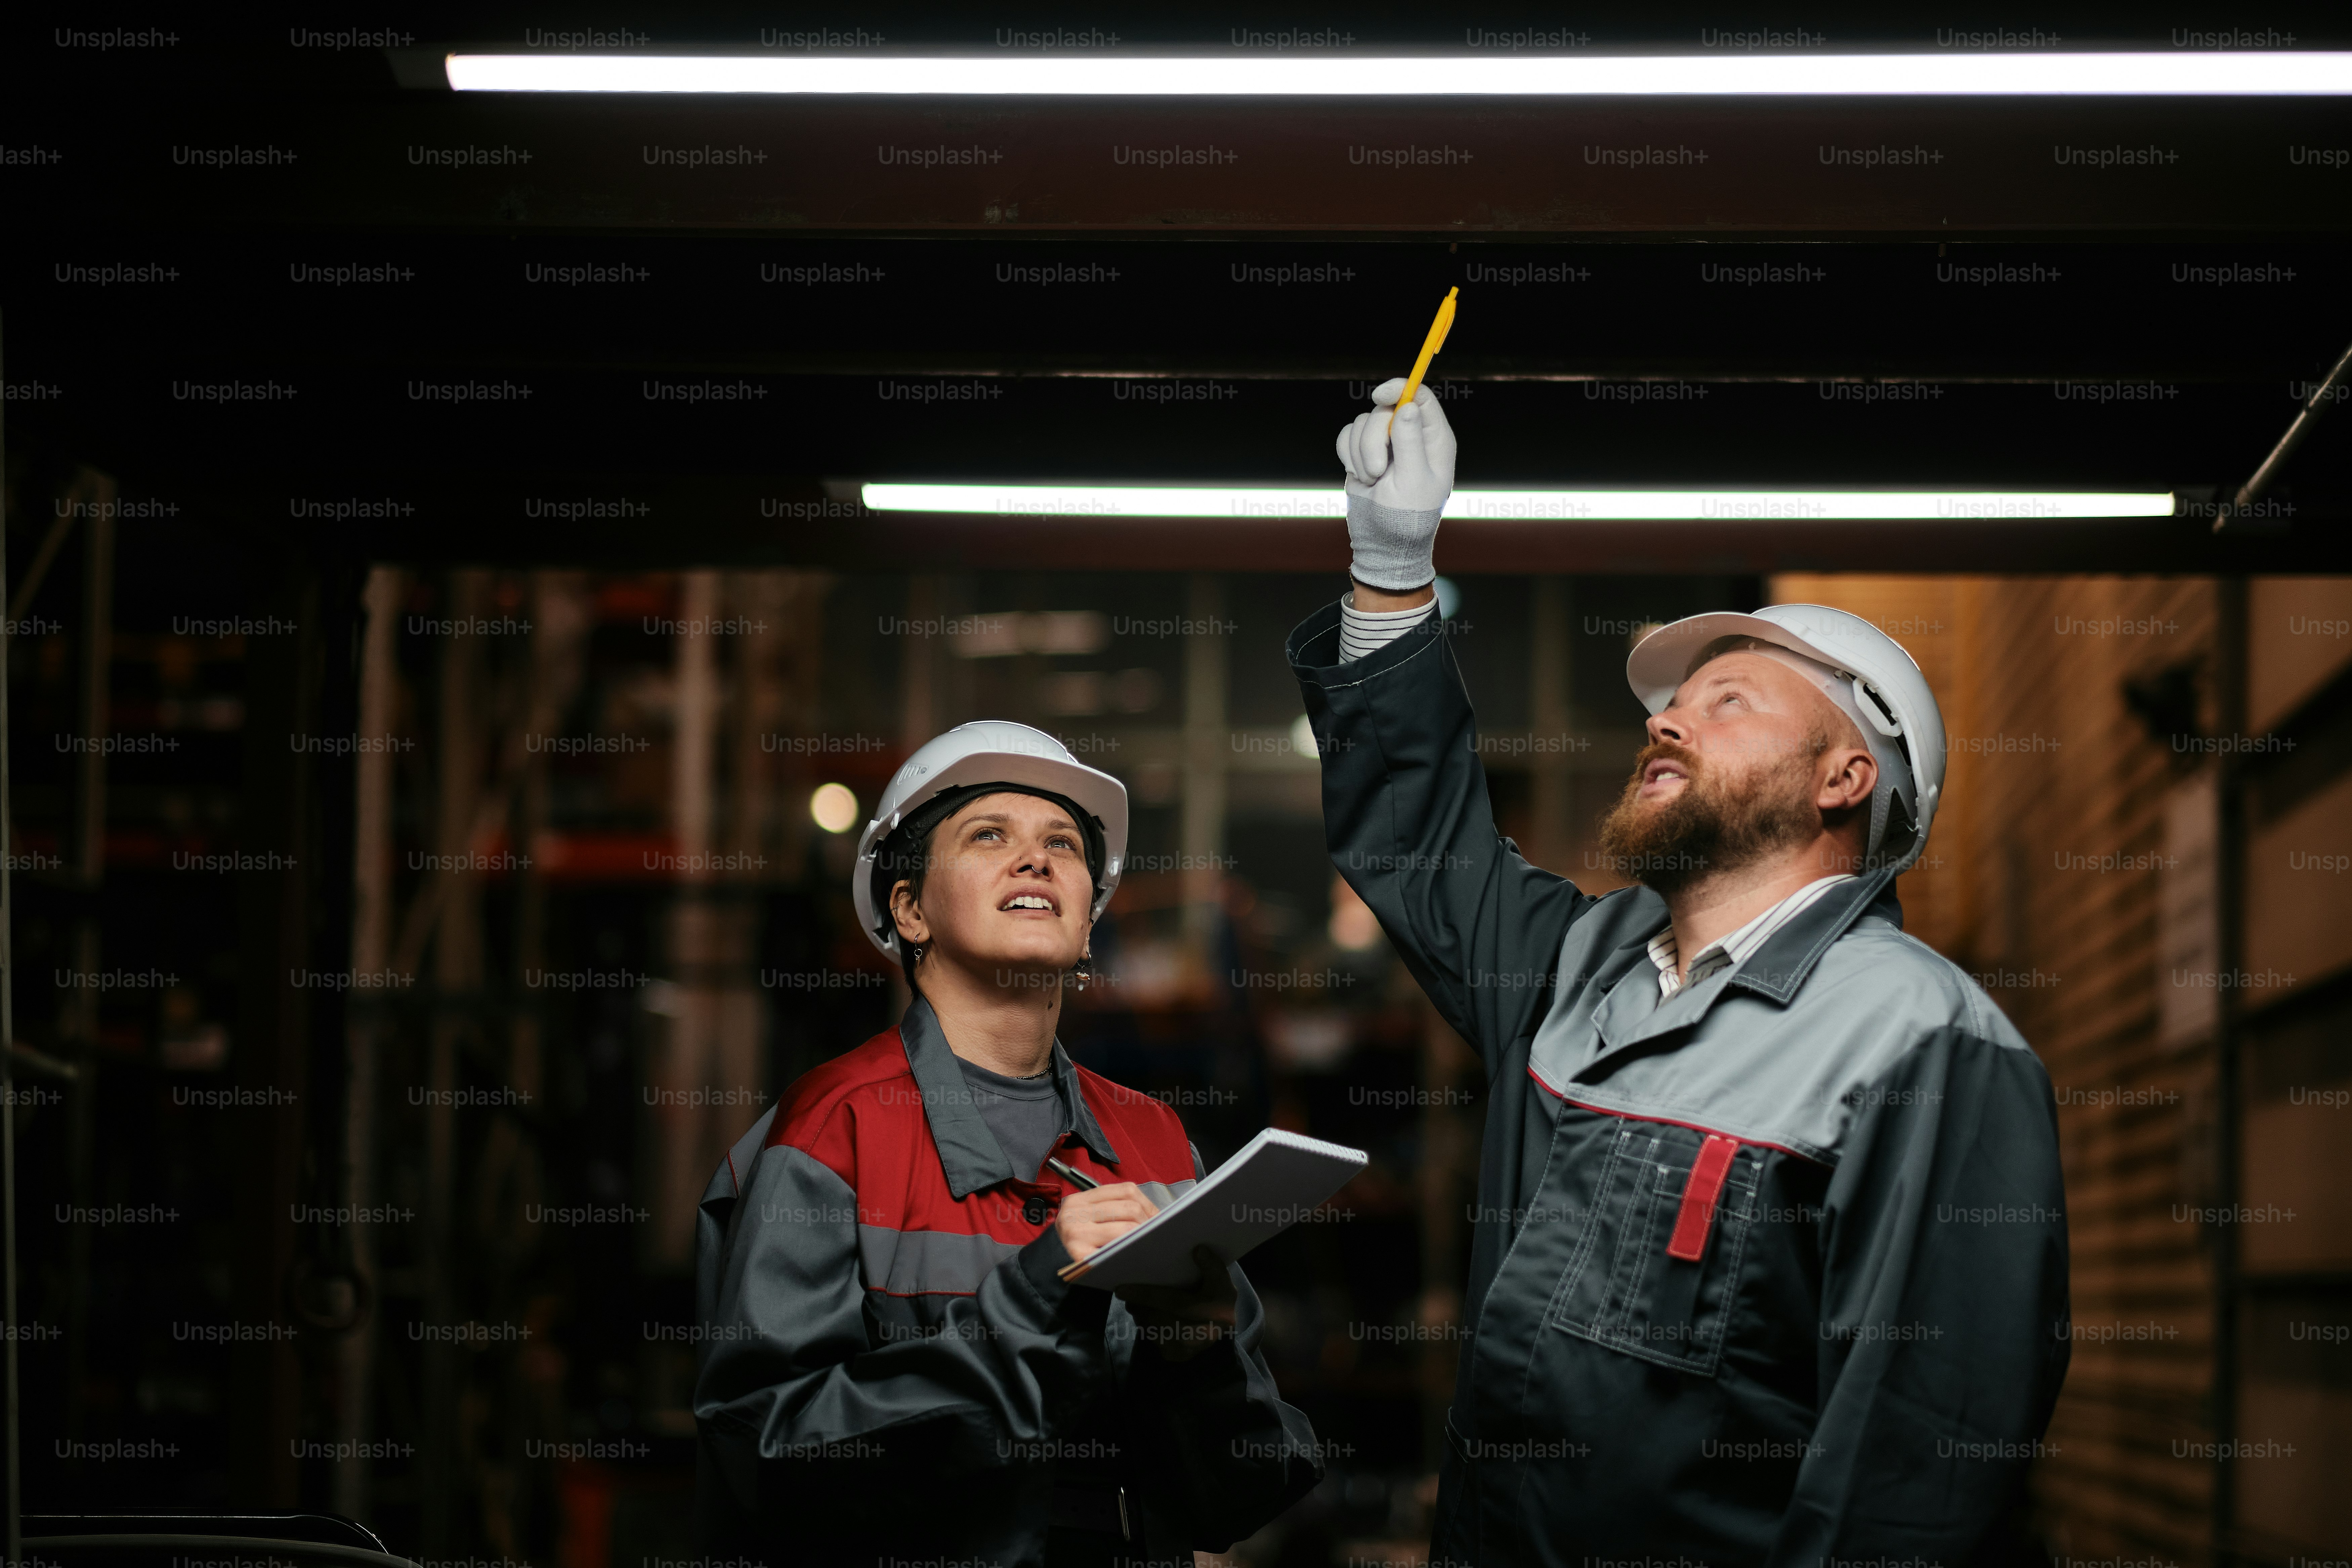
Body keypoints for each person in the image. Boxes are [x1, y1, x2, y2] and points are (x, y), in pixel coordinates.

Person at [1287, 380, 2071, 1565]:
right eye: (1667, 706)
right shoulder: (1577, 963)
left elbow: (1913, 1464)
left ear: (1844, 777)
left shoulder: (1919, 1036)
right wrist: (1394, 567)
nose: (1665, 722)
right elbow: (1420, 844)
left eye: (1726, 700)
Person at [692, 721, 1322, 1568]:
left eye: (1062, 844)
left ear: (1089, 916)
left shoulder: (1152, 1138)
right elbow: (764, 1456)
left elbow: (1236, 1497)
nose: (1037, 862)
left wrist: (1197, 1356)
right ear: (908, 908)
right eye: (988, 836)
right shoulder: (833, 1127)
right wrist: (1033, 1297)